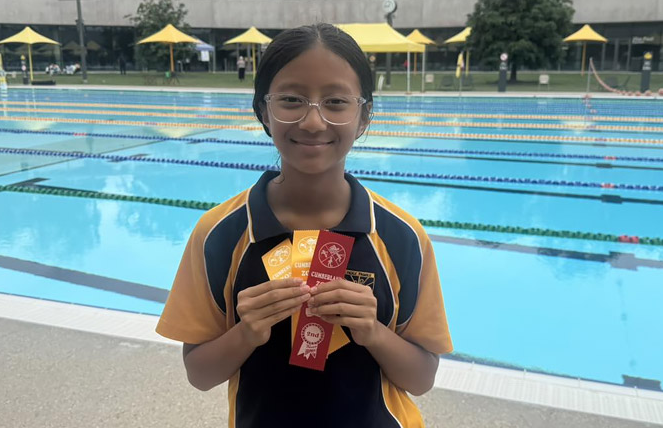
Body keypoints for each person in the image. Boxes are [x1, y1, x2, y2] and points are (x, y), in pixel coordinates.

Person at [156, 23, 452, 428]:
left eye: (336, 102)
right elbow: (199, 374)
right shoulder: (219, 234)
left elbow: (422, 379)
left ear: (364, 116)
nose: (313, 122)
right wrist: (246, 332)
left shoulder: (402, 237)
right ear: (264, 110)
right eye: (292, 100)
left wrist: (373, 331)